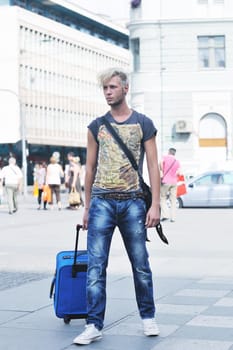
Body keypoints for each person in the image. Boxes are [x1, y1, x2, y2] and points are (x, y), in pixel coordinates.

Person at [73, 68, 161, 345]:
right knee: (96, 267)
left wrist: (155, 205)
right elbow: (89, 168)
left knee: (141, 264)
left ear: (125, 88)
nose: (108, 92)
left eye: (112, 87)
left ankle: (148, 317)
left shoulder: (143, 123)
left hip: (134, 203)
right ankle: (93, 324)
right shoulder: (96, 126)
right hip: (101, 203)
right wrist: (87, 206)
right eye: (105, 88)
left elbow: (153, 165)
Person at [159, 148, 181, 222]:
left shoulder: (165, 157)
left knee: (162, 198)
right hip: (174, 182)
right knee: (173, 200)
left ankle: (165, 215)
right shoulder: (177, 161)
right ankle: (173, 217)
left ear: (169, 152)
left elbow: (160, 164)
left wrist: (162, 171)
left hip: (166, 181)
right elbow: (179, 172)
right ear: (174, 153)